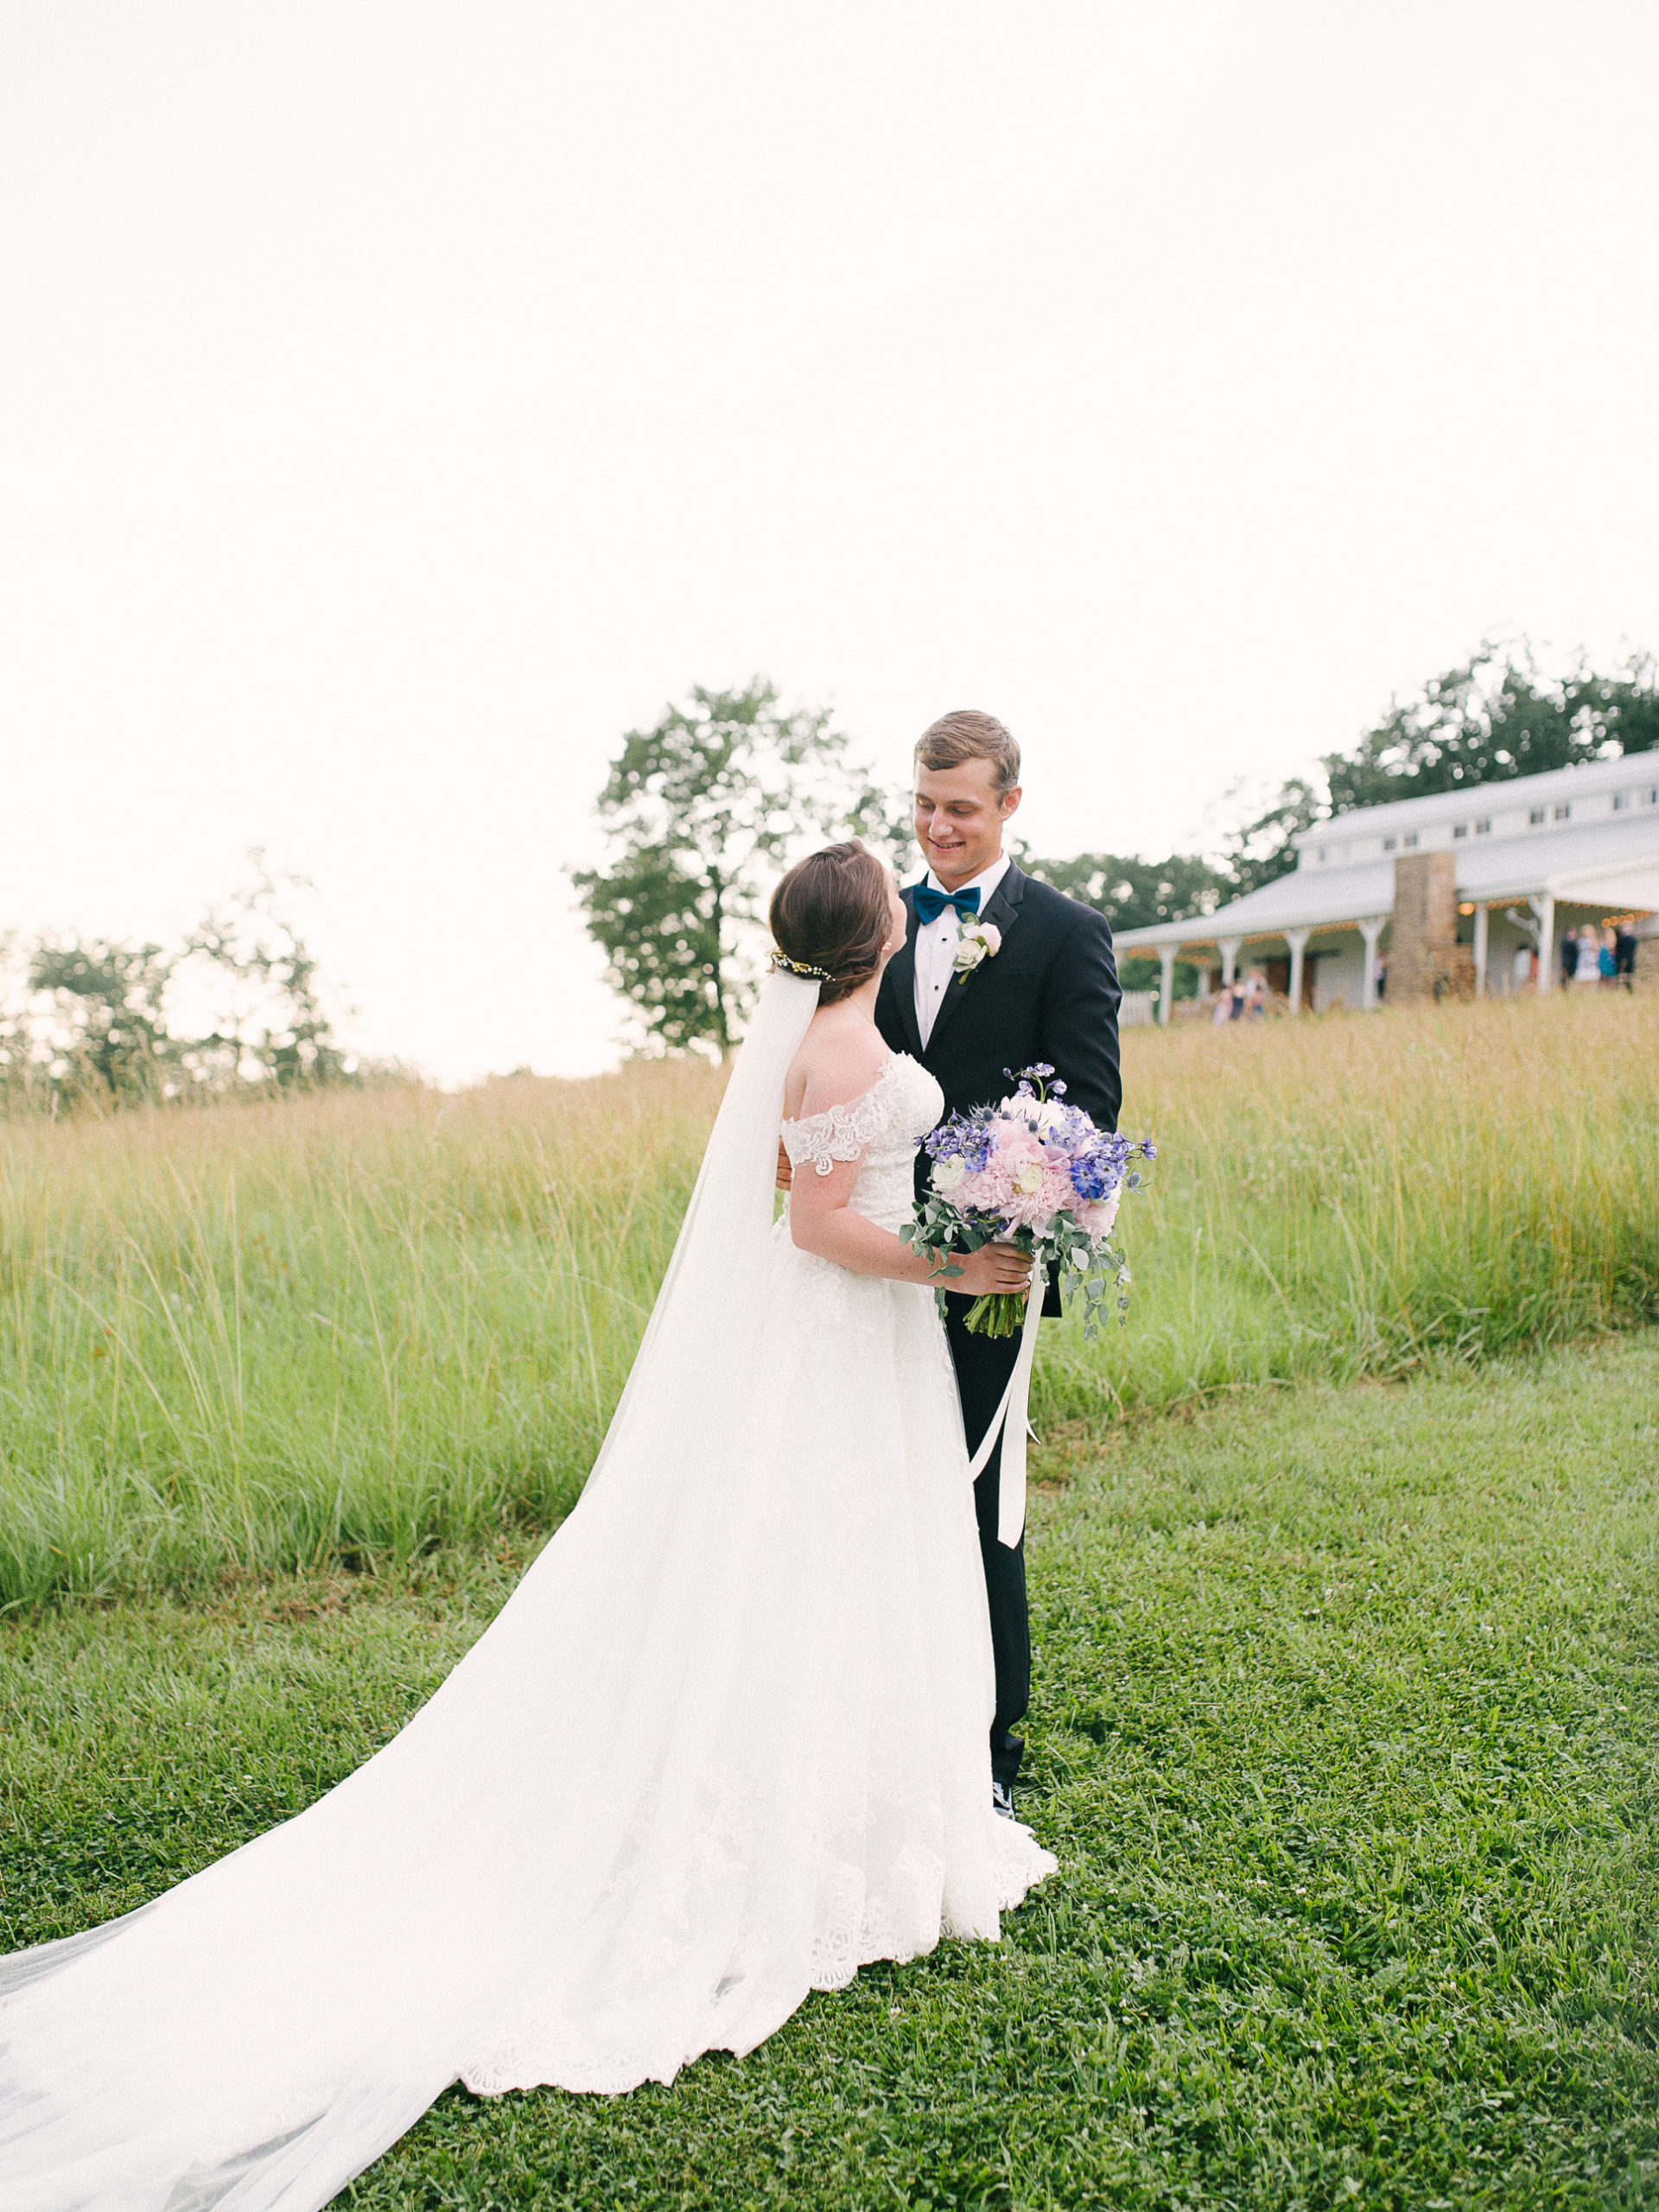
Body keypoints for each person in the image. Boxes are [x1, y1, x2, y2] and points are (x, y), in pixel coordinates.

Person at [0, 841, 1056, 2212]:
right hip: (846, 1334)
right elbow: (809, 1229)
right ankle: (794, 1827)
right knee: (810, 1563)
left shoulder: (833, 1039)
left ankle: (852, 1799)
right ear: (867, 946)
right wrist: (950, 1257)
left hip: (856, 1354)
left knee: (822, 1574)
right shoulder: (847, 1060)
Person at [872, 711, 1121, 1815]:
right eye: (923, 807)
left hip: (990, 1268)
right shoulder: (878, 921)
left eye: (960, 809)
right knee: (866, 1492)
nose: (937, 829)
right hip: (867, 1262)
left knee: (980, 1503)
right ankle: (875, 1730)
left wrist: (1004, 1220)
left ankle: (988, 1758)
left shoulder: (1067, 932)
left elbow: (1088, 1105)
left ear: (1010, 804)